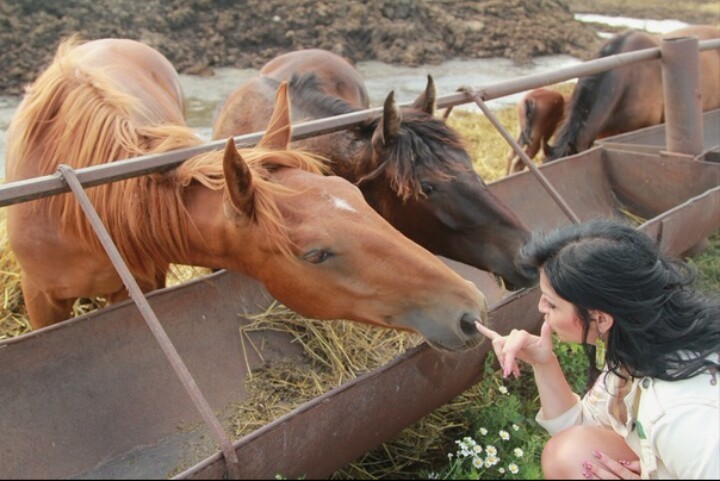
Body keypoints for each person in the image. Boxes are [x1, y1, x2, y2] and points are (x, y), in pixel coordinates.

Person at [475, 219, 719, 479]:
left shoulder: (683, 414)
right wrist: (543, 362)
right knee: (570, 454)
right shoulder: (638, 352)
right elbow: (582, 433)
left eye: (552, 304)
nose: (541, 308)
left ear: (601, 319)